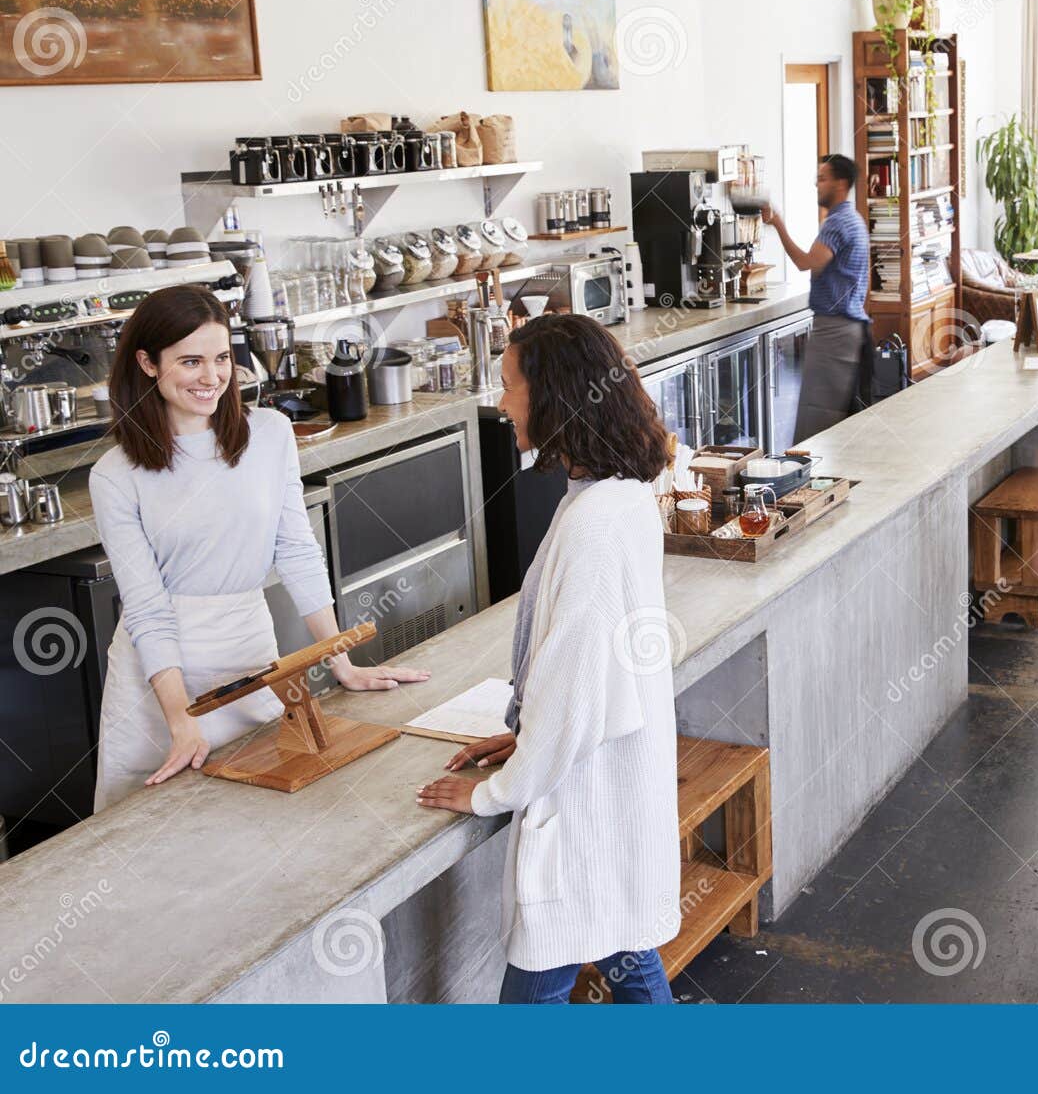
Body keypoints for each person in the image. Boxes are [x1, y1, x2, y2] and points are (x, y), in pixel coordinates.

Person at [416, 314, 681, 1005]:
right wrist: (524, 728)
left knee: (540, 984)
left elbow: (573, 690)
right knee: (625, 947)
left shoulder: (592, 523)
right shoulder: (616, 495)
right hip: (610, 779)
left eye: (510, 386)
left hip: (582, 798)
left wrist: (491, 792)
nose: (502, 404)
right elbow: (589, 670)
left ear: (556, 394)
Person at [89, 285, 427, 811]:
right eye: (190, 361)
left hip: (249, 654)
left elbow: (296, 550)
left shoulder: (269, 434)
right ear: (148, 364)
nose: (211, 377)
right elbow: (147, 608)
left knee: (261, 811)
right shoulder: (115, 475)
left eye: (222, 358)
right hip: (160, 683)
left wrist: (341, 662)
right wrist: (181, 721)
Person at [762, 154, 871, 441]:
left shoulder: (837, 224)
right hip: (848, 329)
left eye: (822, 178)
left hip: (835, 331)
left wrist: (779, 224)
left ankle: (809, 484)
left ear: (841, 183)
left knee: (815, 425)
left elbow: (808, 262)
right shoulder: (854, 219)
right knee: (833, 422)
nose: (816, 185)